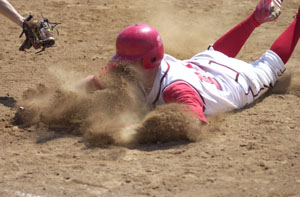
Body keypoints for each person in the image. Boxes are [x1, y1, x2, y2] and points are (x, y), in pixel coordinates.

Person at [79, 0, 299, 124]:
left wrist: (134, 124)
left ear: (148, 61)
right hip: (200, 67)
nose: (122, 65)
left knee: (269, 67)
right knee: (209, 56)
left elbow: (193, 122)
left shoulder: (177, 90)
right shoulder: (129, 66)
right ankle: (254, 20)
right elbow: (90, 83)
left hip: (238, 82)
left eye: (128, 61)